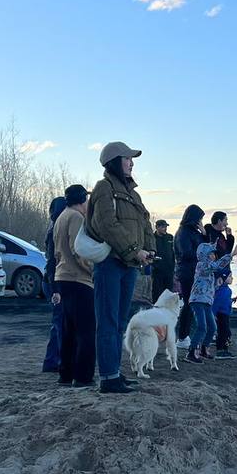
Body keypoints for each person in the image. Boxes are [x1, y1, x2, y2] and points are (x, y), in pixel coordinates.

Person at [86, 142, 155, 394]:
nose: (132, 163)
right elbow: (107, 225)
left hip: (129, 265)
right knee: (108, 321)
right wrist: (133, 250)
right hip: (110, 265)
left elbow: (145, 224)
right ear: (115, 161)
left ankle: (115, 372)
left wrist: (149, 250)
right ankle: (108, 377)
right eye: (128, 158)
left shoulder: (133, 194)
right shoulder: (104, 189)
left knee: (119, 322)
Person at [52, 184, 95, 388]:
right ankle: (83, 377)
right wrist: (92, 271)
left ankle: (65, 374)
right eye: (86, 200)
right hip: (78, 279)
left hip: (63, 276)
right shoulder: (76, 218)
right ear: (82, 200)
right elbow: (79, 249)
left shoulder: (61, 217)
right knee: (86, 330)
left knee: (69, 329)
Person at [187, 243, 235, 363]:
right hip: (198, 300)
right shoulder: (202, 265)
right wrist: (230, 256)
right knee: (202, 327)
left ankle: (204, 348)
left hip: (207, 301)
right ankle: (192, 352)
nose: (214, 256)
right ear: (205, 255)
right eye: (211, 254)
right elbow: (217, 266)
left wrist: (216, 285)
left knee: (212, 327)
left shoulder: (209, 269)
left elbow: (209, 283)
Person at [173, 204, 207, 346]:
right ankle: (182, 336)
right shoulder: (183, 232)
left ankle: (185, 334)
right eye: (200, 219)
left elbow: (205, 247)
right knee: (189, 303)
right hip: (187, 272)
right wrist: (201, 255)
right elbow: (185, 253)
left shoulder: (194, 232)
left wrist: (204, 234)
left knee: (192, 303)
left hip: (194, 271)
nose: (201, 222)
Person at [41, 195, 68, 373]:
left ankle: (52, 361)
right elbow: (53, 262)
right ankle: (54, 361)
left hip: (52, 281)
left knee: (58, 323)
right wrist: (56, 289)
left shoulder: (53, 228)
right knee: (60, 323)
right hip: (55, 282)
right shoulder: (56, 232)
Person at [212, 272, 237, 359]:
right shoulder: (222, 290)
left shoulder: (225, 289)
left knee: (224, 331)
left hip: (225, 313)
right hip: (222, 314)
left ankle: (223, 349)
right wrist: (213, 314)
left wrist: (231, 300)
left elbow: (223, 301)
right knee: (223, 331)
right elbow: (216, 303)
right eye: (229, 276)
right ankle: (221, 350)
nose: (232, 278)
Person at [151, 220, 175, 304]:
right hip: (157, 270)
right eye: (163, 227)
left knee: (168, 292)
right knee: (157, 292)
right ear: (157, 227)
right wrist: (154, 265)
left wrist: (173, 266)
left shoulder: (170, 237)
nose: (165, 229)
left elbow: (173, 252)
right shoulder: (152, 238)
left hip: (169, 270)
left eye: (166, 227)